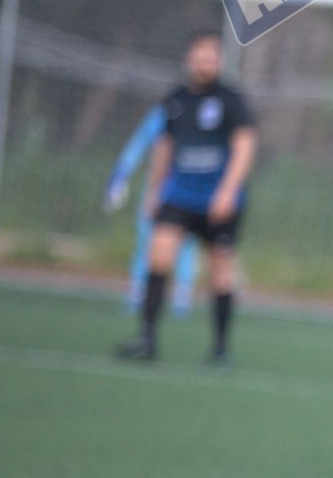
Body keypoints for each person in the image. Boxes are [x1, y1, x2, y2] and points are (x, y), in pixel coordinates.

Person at [114, 32, 255, 366]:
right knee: (158, 254)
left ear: (219, 61)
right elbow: (164, 147)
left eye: (211, 56)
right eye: (200, 56)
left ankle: (220, 348)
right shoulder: (176, 100)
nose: (205, 62)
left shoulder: (230, 99)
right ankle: (147, 338)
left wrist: (228, 191)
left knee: (220, 269)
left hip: (217, 200)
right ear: (189, 59)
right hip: (179, 195)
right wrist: (155, 190)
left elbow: (245, 145)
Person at [104, 104, 197, 317]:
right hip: (157, 189)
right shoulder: (163, 114)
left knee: (186, 242)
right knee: (148, 238)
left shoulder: (201, 113)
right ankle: (139, 289)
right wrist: (120, 175)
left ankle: (182, 292)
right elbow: (137, 146)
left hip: (189, 190)